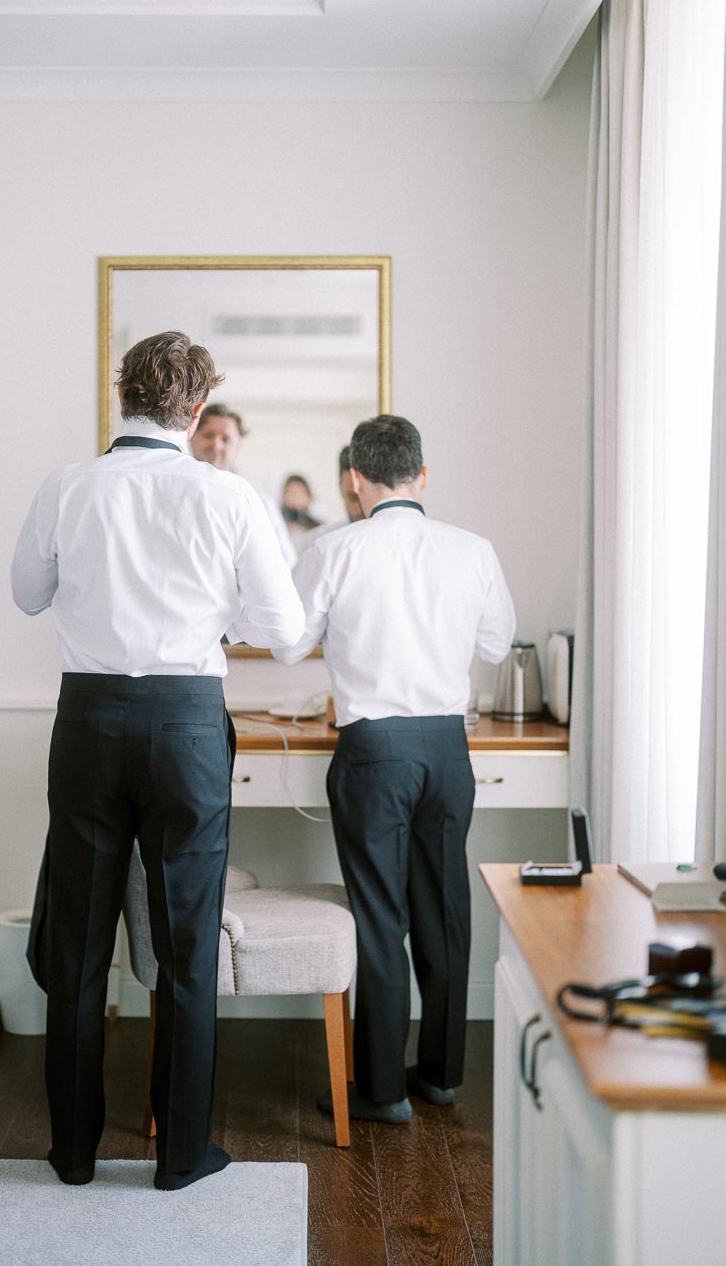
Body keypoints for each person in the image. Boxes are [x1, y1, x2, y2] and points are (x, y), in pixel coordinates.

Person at [11, 331, 304, 1190]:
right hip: (185, 727)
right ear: (198, 409)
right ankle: (179, 1156)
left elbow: (27, 595)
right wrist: (219, 617)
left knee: (77, 946)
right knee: (184, 949)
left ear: (122, 395)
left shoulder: (66, 486)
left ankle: (72, 1154)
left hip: (90, 723)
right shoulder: (229, 496)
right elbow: (285, 633)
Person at [273, 414, 515, 1122]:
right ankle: (440, 1074)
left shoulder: (334, 548)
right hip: (447, 747)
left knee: (382, 919)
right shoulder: (473, 550)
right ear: (423, 475)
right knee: (444, 910)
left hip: (375, 750)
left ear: (355, 478)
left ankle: (380, 1089)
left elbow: (288, 646)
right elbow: (496, 647)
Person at [190, 402, 297, 566]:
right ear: (192, 436)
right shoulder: (173, 493)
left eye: (226, 439)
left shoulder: (259, 502)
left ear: (238, 445)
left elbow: (286, 559)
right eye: (208, 435)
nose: (216, 445)